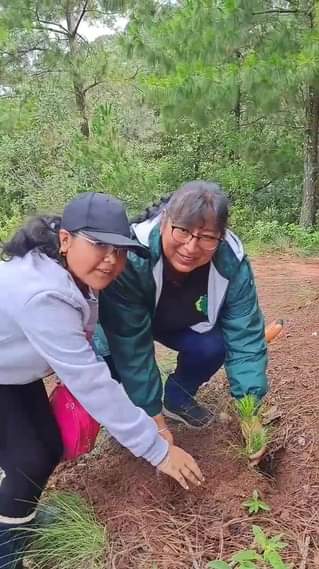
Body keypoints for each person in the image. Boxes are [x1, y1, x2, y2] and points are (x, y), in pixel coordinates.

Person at [0, 192, 203, 569]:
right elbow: (91, 382)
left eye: (119, 250)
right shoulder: (44, 294)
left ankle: (20, 522)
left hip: (11, 372)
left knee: (44, 446)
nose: (111, 260)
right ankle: (6, 552)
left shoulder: (66, 270)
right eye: (99, 245)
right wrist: (156, 449)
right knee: (26, 457)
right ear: (65, 240)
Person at [99, 181, 268, 444]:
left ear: (220, 238)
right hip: (127, 322)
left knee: (214, 345)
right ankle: (132, 415)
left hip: (180, 321)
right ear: (165, 221)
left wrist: (250, 413)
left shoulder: (231, 262)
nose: (191, 247)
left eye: (207, 237)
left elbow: (244, 334)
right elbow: (131, 344)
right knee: (109, 356)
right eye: (182, 231)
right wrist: (153, 419)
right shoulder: (133, 257)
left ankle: (177, 399)